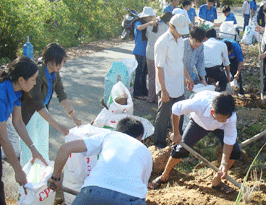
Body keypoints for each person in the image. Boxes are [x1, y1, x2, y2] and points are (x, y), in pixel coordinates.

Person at [149, 91, 241, 194]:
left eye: (226, 118)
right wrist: (176, 133)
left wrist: (224, 163)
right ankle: (164, 176)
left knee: (235, 152)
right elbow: (176, 109)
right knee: (180, 150)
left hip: (220, 128)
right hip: (199, 123)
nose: (224, 120)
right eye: (221, 118)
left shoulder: (230, 117)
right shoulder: (199, 103)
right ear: (212, 112)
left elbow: (229, 139)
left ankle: (217, 181)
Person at [48, 117, 152, 205]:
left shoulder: (110, 136)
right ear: (140, 137)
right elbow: (143, 187)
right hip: (130, 198)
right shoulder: (146, 151)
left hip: (93, 192)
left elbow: (65, 148)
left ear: (117, 130)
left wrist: (55, 178)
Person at [20, 43, 81, 166]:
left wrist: (72, 116)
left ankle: (42, 177)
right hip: (29, 113)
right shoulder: (37, 73)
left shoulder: (55, 73)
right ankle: (26, 182)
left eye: (63, 62)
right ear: (51, 60)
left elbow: (61, 94)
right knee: (28, 150)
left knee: (42, 147)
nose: (62, 65)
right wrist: (58, 126)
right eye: (61, 62)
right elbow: (37, 104)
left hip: (43, 111)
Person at [0, 56, 47, 204]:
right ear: (21, 80)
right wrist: (18, 169)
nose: (35, 83)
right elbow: (3, 138)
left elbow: (18, 121)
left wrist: (33, 149)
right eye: (33, 79)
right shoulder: (1, 97)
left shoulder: (16, 92)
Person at [153, 14, 194, 148]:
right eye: (179, 32)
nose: (180, 35)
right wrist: (163, 90)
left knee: (179, 113)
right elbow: (159, 67)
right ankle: (159, 143)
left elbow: (180, 61)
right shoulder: (162, 42)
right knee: (163, 115)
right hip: (166, 85)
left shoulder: (180, 40)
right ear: (171, 27)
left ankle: (177, 138)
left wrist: (187, 77)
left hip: (178, 83)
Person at [146, 12, 173, 103]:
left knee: (151, 77)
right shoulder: (166, 28)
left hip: (149, 53)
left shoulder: (150, 25)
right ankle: (159, 99)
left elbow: (147, 36)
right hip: (160, 55)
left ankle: (150, 97)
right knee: (160, 78)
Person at [132, 6, 157, 100]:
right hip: (139, 51)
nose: (151, 18)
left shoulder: (147, 23)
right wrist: (149, 23)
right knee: (139, 73)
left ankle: (143, 90)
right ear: (145, 16)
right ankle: (137, 93)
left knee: (144, 73)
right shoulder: (138, 22)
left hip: (145, 52)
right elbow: (139, 28)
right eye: (149, 17)